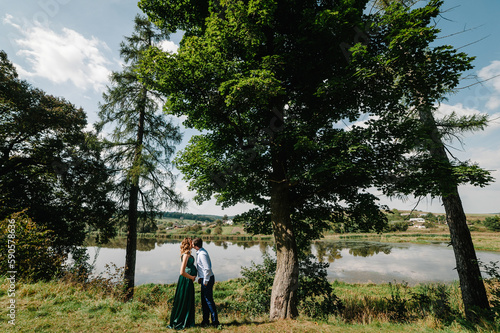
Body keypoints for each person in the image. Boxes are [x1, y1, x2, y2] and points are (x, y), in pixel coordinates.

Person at [168, 237, 197, 330]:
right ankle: (181, 321)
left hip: (188, 280)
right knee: (184, 300)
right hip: (185, 280)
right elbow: (182, 272)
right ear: (189, 243)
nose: (193, 244)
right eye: (192, 242)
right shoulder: (186, 255)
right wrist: (191, 277)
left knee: (188, 300)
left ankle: (187, 320)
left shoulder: (188, 254)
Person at [192, 237, 220, 327]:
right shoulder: (200, 252)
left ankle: (215, 322)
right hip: (204, 278)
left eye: (192, 244)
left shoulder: (202, 254)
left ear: (195, 245)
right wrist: (200, 277)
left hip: (207, 279)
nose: (191, 245)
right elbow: (202, 268)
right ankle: (205, 321)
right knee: (204, 300)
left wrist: (206, 281)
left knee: (208, 300)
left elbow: (207, 268)